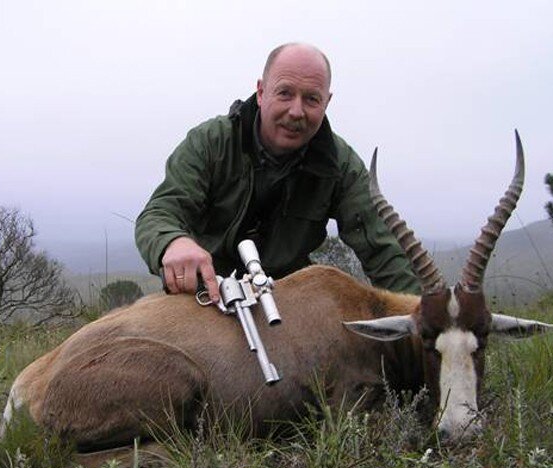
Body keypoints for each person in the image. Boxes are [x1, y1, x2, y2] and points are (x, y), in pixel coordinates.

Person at [136, 43, 419, 303]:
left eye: (311, 99)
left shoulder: (340, 166)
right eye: (285, 93)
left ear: (327, 102)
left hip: (287, 302)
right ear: (261, 92)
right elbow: (160, 213)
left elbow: (383, 249)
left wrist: (421, 313)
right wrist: (172, 242)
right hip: (208, 293)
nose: (296, 111)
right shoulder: (211, 142)